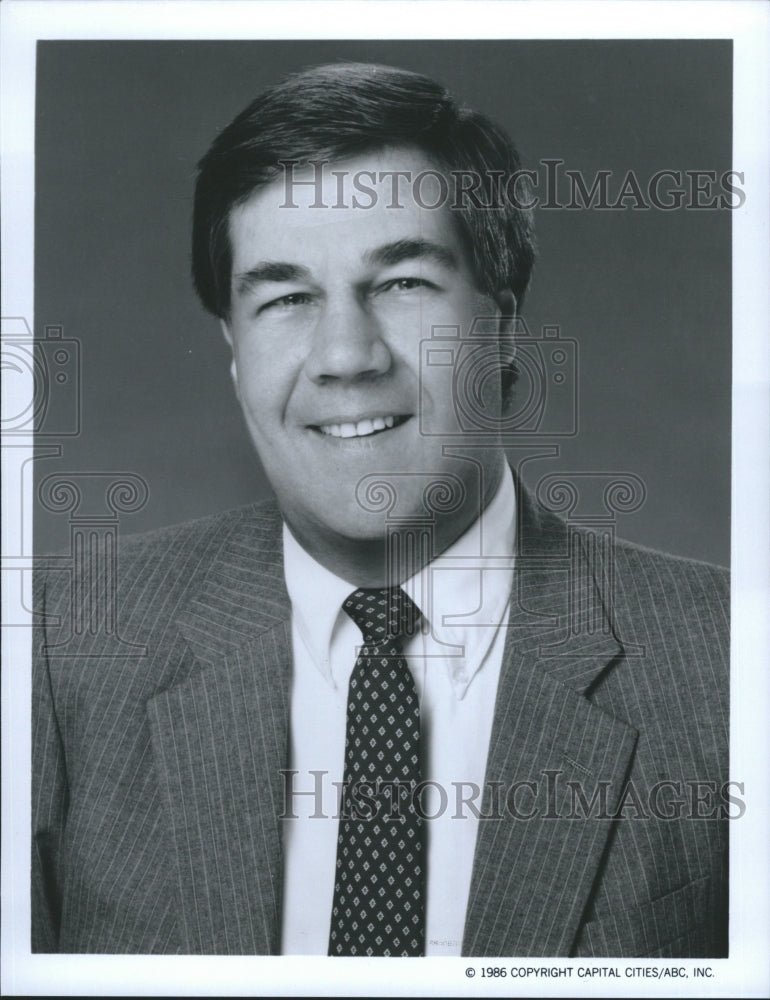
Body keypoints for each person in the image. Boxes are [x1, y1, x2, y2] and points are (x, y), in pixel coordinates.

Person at [32, 62, 729, 957]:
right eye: (285, 299)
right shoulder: (60, 645)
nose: (345, 356)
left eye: (402, 283)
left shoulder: (731, 668)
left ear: (503, 325)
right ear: (235, 356)